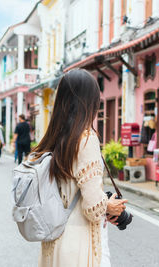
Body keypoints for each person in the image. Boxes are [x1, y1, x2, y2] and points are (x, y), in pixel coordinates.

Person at [34, 69, 127, 267]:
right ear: (90, 103)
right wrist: (110, 206)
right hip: (79, 244)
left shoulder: (53, 138)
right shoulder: (86, 139)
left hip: (53, 240)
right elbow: (92, 208)